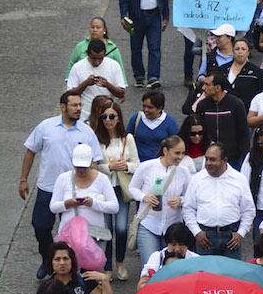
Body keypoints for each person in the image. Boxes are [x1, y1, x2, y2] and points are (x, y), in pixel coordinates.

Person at [21, 91, 102, 278]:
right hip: (47, 188)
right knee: (41, 227)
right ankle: (48, 260)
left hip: (74, 191)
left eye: (80, 105)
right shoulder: (46, 127)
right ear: (63, 107)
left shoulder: (86, 131)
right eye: (74, 105)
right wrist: (23, 180)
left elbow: (95, 162)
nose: (79, 109)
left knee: (73, 233)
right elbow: (30, 151)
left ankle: (69, 268)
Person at [128, 135, 193, 266]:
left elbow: (190, 196)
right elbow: (132, 188)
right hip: (149, 224)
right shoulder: (146, 166)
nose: (180, 157)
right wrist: (144, 197)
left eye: (183, 153)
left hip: (172, 228)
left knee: (171, 268)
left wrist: (180, 200)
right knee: (150, 267)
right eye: (177, 153)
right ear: (165, 151)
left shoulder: (184, 171)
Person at [48, 139, 119, 257]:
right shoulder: (63, 178)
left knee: (89, 273)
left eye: (84, 167)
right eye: (78, 166)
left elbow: (114, 207)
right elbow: (53, 207)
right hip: (68, 236)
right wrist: (68, 203)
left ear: (91, 162)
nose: (81, 170)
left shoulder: (102, 179)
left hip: (93, 236)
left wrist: (93, 203)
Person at [182, 143, 255, 254]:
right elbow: (188, 209)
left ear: (224, 160)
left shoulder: (239, 179)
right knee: (205, 271)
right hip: (205, 238)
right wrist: (197, 232)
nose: (208, 163)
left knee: (231, 272)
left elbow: (248, 210)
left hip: (231, 237)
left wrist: (241, 233)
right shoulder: (197, 179)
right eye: (206, 159)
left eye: (212, 160)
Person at [96, 100, 139, 279]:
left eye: (112, 116)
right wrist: (109, 168)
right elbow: (95, 165)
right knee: (106, 230)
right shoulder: (97, 138)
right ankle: (107, 268)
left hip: (122, 188)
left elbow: (137, 164)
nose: (108, 120)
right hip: (104, 189)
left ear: (119, 118)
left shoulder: (127, 138)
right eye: (104, 116)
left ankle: (120, 262)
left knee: (121, 228)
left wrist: (125, 166)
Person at [119, 0, 169, 89]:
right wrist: (123, 16)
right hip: (136, 16)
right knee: (136, 48)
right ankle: (139, 76)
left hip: (154, 16)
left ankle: (153, 77)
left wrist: (165, 16)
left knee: (155, 48)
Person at [126, 90, 180, 163]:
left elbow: (176, 145)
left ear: (160, 108)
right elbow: (126, 140)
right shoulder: (136, 118)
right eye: (144, 106)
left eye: (150, 107)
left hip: (161, 165)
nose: (145, 110)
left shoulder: (170, 122)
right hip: (139, 164)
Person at [67, 17, 127, 82]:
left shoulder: (112, 47)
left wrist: (122, 84)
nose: (94, 30)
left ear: (104, 30)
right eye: (92, 27)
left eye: (98, 27)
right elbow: (71, 64)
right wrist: (69, 79)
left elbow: (120, 67)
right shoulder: (80, 46)